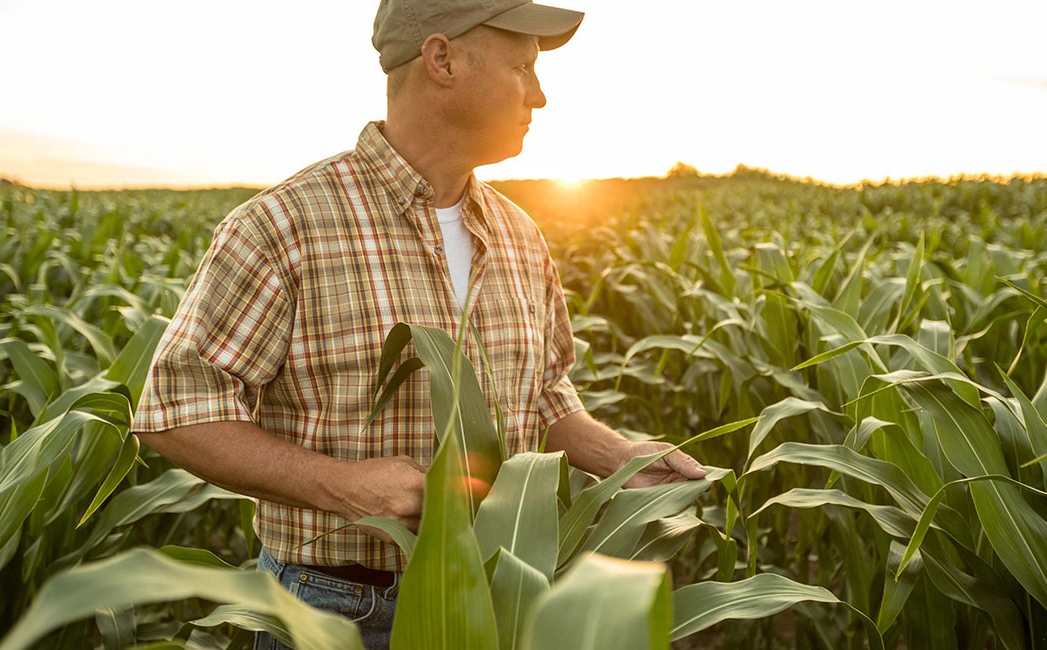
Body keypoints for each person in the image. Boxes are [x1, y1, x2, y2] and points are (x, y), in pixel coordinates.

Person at [132, 1, 706, 648]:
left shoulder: (521, 237)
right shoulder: (283, 228)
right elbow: (175, 414)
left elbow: (544, 396)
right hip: (339, 610)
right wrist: (346, 489)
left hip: (501, 599)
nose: (539, 96)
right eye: (523, 66)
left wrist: (618, 457)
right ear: (442, 60)